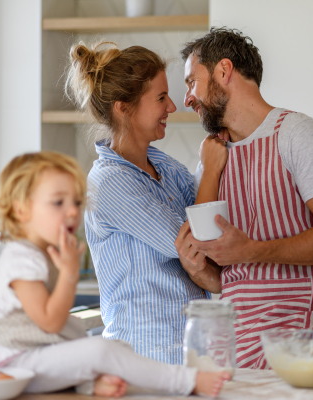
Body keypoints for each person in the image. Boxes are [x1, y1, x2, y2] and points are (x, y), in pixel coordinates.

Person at [174, 27, 313, 369]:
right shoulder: (212, 157)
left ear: (224, 71)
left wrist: (253, 250)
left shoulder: (296, 135)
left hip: (301, 350)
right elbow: (229, 277)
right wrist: (196, 269)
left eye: (191, 82)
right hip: (240, 352)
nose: (187, 99)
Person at [0, 151, 230, 397]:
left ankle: (90, 384)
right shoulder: (22, 257)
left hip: (30, 361)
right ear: (22, 210)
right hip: (11, 364)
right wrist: (69, 273)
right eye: (58, 202)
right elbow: (50, 322)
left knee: (115, 349)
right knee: (100, 351)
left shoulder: (40, 253)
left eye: (76, 202)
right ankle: (188, 381)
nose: (73, 211)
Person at [65, 41, 228, 364]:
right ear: (123, 108)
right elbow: (196, 242)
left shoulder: (164, 167)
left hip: (184, 354)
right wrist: (210, 168)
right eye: (160, 98)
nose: (172, 107)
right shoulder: (109, 183)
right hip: (144, 358)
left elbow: (208, 225)